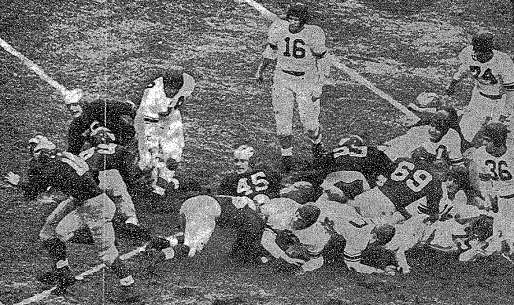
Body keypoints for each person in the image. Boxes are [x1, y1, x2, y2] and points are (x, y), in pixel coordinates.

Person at [4, 136, 139, 302]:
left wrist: (18, 183)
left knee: (106, 253)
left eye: (36, 153)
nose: (34, 157)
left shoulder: (52, 168)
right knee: (50, 232)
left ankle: (129, 285)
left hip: (95, 207)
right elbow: (92, 173)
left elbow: (35, 190)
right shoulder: (67, 156)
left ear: (44, 153)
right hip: (81, 200)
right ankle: (63, 272)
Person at [254, 2, 329, 172]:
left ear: (303, 21)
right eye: (291, 19)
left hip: (306, 80)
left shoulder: (313, 33)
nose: (293, 22)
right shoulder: (279, 28)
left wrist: (320, 83)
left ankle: (317, 146)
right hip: (282, 79)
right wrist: (261, 70)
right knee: (283, 125)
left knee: (309, 124)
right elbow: (270, 51)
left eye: (297, 19)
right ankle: (286, 158)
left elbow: (323, 58)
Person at [260, 198, 395, 274]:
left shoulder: (370, 222)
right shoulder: (360, 239)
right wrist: (379, 271)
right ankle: (295, 258)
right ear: (374, 237)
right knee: (315, 256)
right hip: (316, 224)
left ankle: (289, 250)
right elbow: (353, 266)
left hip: (324, 207)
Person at [134, 67, 195, 197]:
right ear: (164, 84)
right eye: (170, 88)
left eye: (175, 88)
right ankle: (149, 185)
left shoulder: (188, 83)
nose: (172, 91)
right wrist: (153, 148)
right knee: (148, 160)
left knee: (173, 156)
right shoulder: (152, 94)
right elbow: (149, 127)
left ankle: (163, 183)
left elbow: (179, 101)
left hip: (170, 118)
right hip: (146, 121)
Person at [446, 31, 514, 145]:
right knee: (464, 131)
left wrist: (506, 112)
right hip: (479, 96)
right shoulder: (468, 53)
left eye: (484, 52)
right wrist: (453, 83)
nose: (480, 55)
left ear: (491, 50)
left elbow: (511, 90)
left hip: (500, 99)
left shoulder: (503, 61)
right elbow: (464, 68)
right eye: (477, 51)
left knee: (495, 133)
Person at [218, 145, 281, 262]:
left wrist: (266, 198)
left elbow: (276, 192)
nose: (238, 164)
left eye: (243, 161)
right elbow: (224, 199)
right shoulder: (230, 179)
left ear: (251, 162)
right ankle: (251, 253)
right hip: (247, 214)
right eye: (236, 161)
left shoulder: (264, 174)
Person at [467, 123, 514, 254]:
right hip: (499, 197)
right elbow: (484, 179)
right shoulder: (481, 154)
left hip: (511, 196)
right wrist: (488, 197)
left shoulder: (511, 153)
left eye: (487, 140)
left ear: (498, 141)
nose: (483, 142)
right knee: (499, 230)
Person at [65, 97, 136, 155]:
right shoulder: (75, 126)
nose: (71, 109)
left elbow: (130, 108)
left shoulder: (99, 106)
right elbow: (73, 150)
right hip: (107, 151)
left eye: (75, 104)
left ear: (83, 103)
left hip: (129, 141)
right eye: (68, 106)